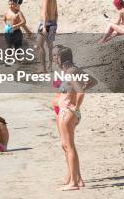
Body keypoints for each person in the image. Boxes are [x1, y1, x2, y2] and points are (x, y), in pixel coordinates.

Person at [52, 45, 97, 190]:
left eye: (54, 56)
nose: (53, 58)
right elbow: (92, 81)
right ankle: (75, 178)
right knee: (66, 146)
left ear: (61, 58)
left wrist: (75, 106)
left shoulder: (70, 72)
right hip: (64, 111)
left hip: (67, 113)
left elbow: (81, 92)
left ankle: (74, 183)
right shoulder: (72, 70)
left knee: (68, 147)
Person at [37, 0, 58, 70]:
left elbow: (45, 12)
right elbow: (56, 13)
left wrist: (44, 27)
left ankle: (43, 68)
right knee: (50, 46)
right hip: (53, 23)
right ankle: (50, 67)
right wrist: (55, 24)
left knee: (39, 45)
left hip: (45, 24)